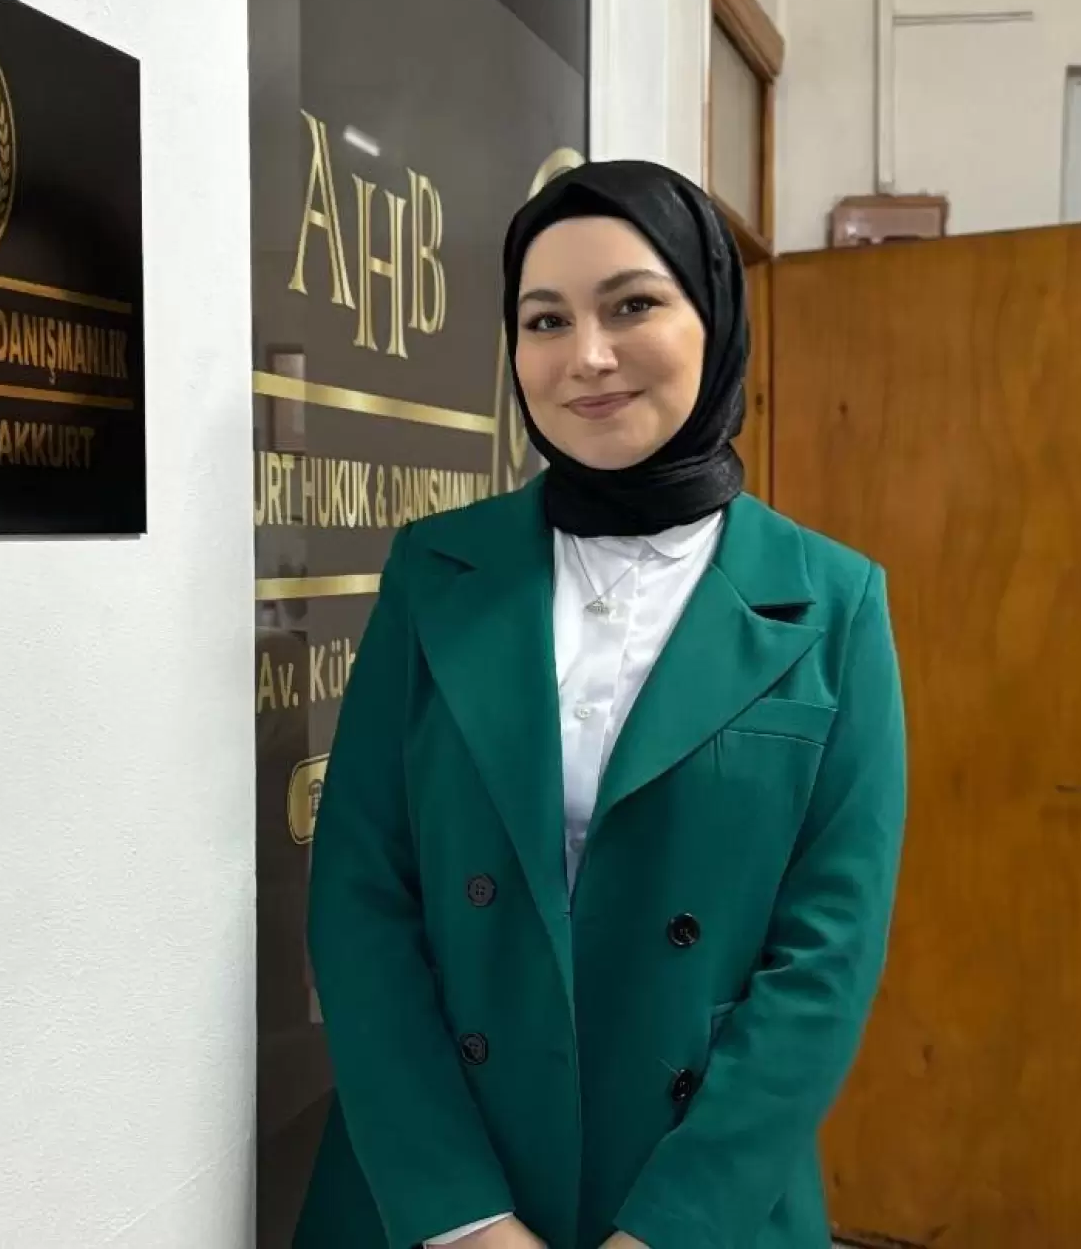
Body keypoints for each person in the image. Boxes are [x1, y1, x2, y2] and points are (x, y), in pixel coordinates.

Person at [294, 159, 907, 1249]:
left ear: (713, 319)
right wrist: (463, 1217)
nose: (585, 356)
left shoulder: (832, 601)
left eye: (631, 305)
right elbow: (359, 894)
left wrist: (671, 1229)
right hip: (438, 1183)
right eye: (544, 320)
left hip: (699, 1196)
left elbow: (826, 953)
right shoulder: (435, 570)